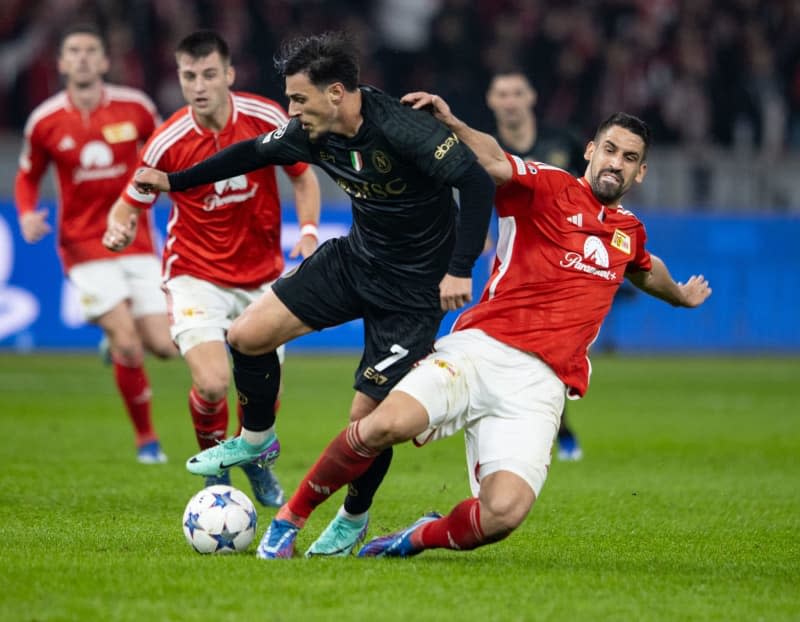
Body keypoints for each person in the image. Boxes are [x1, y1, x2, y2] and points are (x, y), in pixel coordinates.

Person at [250, 94, 712, 559]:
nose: (617, 163)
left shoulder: (627, 232)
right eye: (610, 149)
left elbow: (645, 268)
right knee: (380, 426)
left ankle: (415, 537)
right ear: (591, 150)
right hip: (482, 350)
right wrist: (452, 122)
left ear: (641, 173)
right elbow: (491, 159)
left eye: (630, 158)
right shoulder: (547, 185)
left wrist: (680, 296)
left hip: (541, 388)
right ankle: (290, 519)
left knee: (502, 515)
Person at [120, 31, 495, 558]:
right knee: (247, 334)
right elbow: (249, 153)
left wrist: (459, 270)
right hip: (355, 261)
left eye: (298, 98)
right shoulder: (309, 131)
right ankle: (257, 440)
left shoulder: (405, 128)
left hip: (412, 292)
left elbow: (477, 184)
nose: (290, 109)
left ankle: (353, 517)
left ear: (336, 93)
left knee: (367, 425)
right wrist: (175, 180)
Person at [102, 31, 322, 507]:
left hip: (263, 275)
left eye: (207, 74)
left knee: (262, 396)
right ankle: (216, 477)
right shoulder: (168, 141)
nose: (198, 85)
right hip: (195, 274)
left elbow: (302, 179)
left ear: (228, 75)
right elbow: (130, 202)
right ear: (179, 79)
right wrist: (118, 227)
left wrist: (307, 230)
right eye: (188, 76)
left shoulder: (266, 118)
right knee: (213, 382)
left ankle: (253, 459)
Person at [14, 23, 177, 464]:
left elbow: (168, 153)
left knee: (165, 346)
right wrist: (27, 213)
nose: (83, 58)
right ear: (62, 63)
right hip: (82, 244)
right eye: (74, 51)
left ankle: (117, 341)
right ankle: (147, 442)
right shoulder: (46, 120)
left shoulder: (136, 108)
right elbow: (27, 175)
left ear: (105, 62)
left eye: (91, 51)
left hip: (137, 241)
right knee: (127, 340)